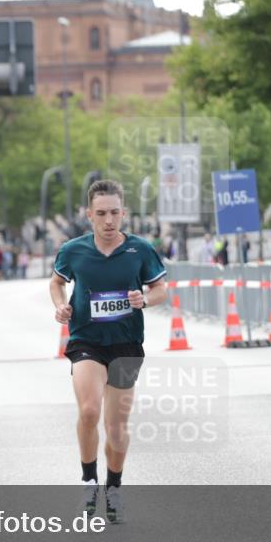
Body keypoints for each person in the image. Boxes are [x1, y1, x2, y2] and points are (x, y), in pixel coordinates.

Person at [49, 179, 167, 523]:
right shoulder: (73, 250)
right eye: (101, 214)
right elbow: (57, 282)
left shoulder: (140, 250)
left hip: (126, 343)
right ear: (90, 215)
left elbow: (161, 289)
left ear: (124, 213)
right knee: (88, 411)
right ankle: (89, 482)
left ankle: (114, 487)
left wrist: (144, 299)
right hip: (86, 340)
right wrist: (60, 306)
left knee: (116, 427)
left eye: (115, 212)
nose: (109, 220)